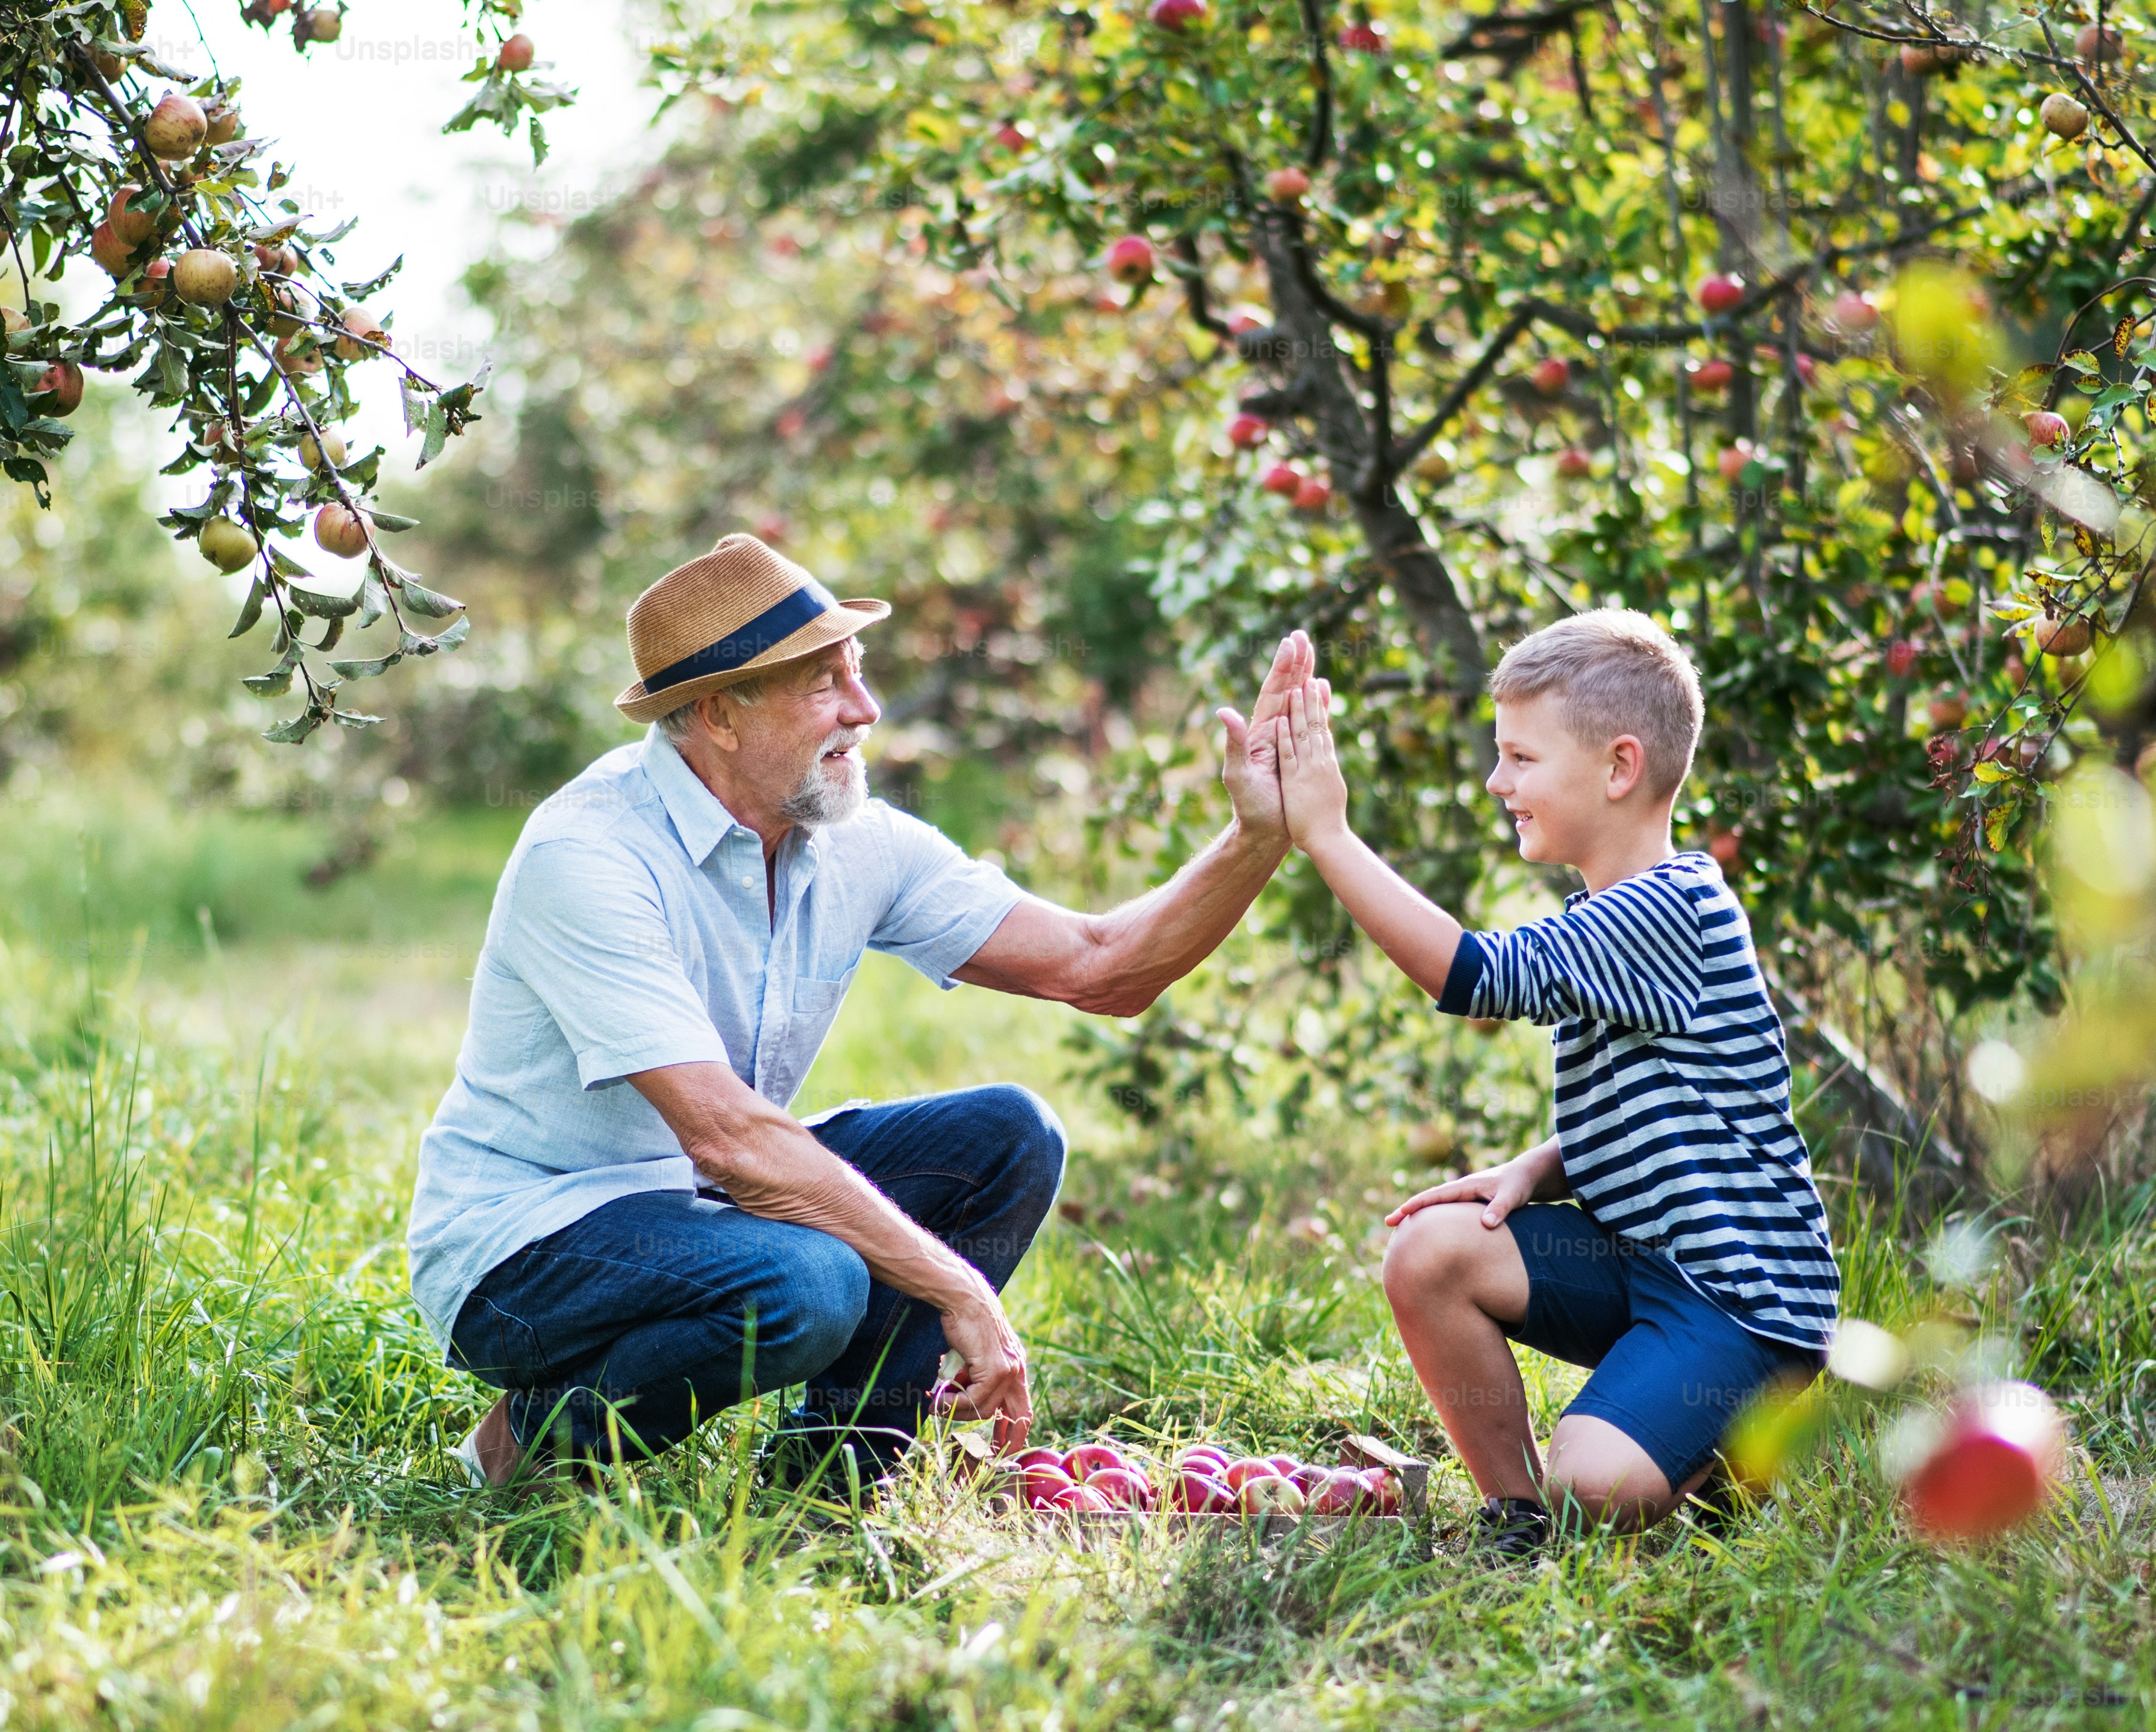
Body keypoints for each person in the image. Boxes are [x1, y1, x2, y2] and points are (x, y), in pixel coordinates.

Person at [411, 531, 1309, 1497]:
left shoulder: (850, 840)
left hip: (700, 1205)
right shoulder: (588, 855)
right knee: (810, 1285)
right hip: (526, 1250)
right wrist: (955, 1286)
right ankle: (531, 1448)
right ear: (718, 714)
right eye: (823, 684)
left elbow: (1104, 970)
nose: (865, 710)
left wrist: (1255, 837)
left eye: (858, 671)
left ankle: (834, 1480)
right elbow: (727, 1139)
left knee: (1009, 1136)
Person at [1268, 611, 1839, 1559]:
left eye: (1521, 759)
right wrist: (1537, 1168)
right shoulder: (1620, 909)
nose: (1499, 783)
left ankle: (1731, 1445)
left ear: (1618, 768)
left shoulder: (1667, 907)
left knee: (1595, 1481)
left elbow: (1469, 975)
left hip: (1740, 1297)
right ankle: (1520, 1521)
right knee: (1430, 1254)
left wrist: (1328, 835)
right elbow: (1678, 1110)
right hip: (1645, 1257)